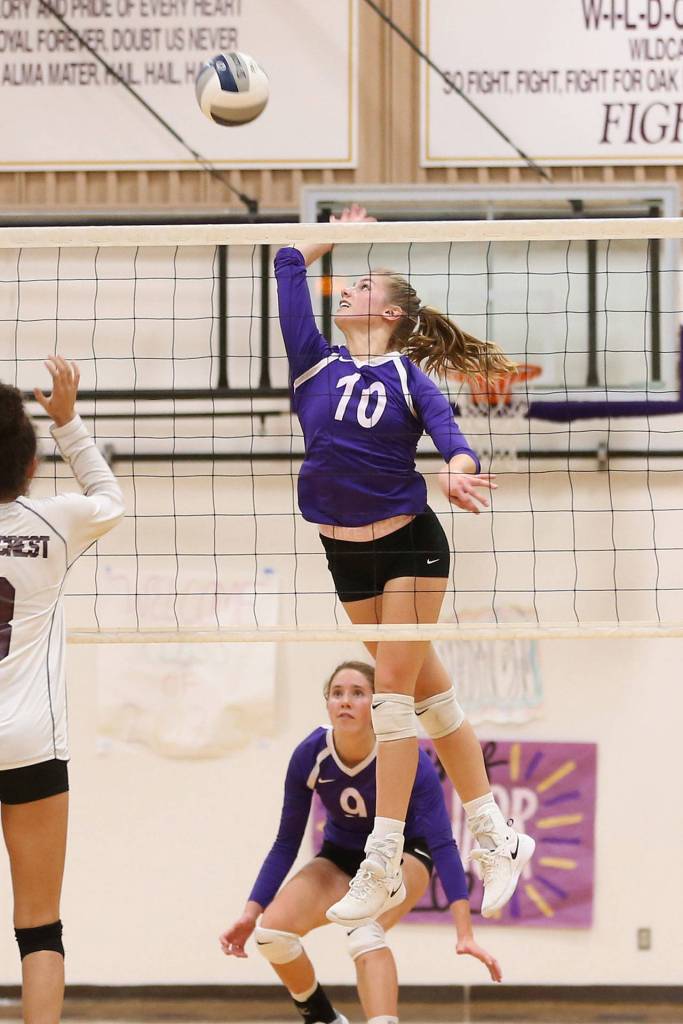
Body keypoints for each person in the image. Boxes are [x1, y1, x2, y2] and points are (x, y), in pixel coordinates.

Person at [275, 205, 534, 926]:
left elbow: (455, 439)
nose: (347, 291)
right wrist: (334, 236)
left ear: (386, 311)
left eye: (358, 285)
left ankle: (379, 859)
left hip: (409, 541)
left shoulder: (410, 377)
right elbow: (287, 265)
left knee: (390, 694)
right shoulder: (313, 362)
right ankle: (495, 833)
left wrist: (456, 470)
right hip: (341, 550)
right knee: (428, 695)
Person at [220, 662, 501, 1024]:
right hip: (340, 857)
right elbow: (285, 842)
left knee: (364, 932)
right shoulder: (310, 755)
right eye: (337, 693)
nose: (345, 702)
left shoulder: (407, 756)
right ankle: (322, 1017)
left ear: (378, 705)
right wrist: (251, 911)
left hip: (406, 854)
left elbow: (443, 843)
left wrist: (464, 932)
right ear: (327, 704)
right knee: (271, 934)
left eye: (357, 693)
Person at [0, 358, 125, 1024]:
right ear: (29, 466)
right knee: (39, 925)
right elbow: (110, 497)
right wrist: (69, 422)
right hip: (31, 743)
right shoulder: (56, 522)